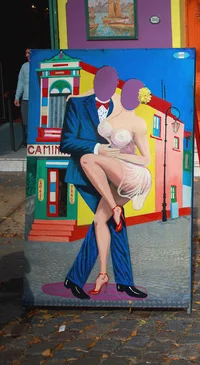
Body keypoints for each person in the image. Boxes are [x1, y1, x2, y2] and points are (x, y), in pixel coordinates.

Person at [60, 66, 147, 300]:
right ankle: (121, 282)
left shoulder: (118, 106)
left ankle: (81, 279)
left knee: (108, 222)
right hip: (85, 173)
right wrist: (97, 148)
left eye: (112, 84)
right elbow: (66, 142)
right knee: (109, 222)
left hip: (113, 176)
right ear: (96, 83)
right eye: (102, 83)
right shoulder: (77, 105)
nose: (107, 88)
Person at [81, 78, 152, 295]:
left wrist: (117, 154)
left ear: (139, 100)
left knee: (87, 159)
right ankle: (103, 273)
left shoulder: (138, 123)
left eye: (134, 96)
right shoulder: (116, 102)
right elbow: (96, 89)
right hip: (115, 173)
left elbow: (146, 159)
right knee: (98, 221)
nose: (128, 98)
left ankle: (114, 207)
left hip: (132, 173)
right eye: (126, 93)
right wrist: (72, 97)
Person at [14, 48, 30, 139]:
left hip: (37, 99)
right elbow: (21, 82)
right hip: (25, 99)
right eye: (26, 53)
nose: (27, 55)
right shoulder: (24, 66)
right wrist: (17, 97)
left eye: (29, 53)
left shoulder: (40, 64)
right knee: (26, 122)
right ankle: (29, 142)